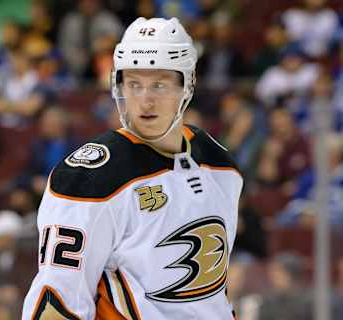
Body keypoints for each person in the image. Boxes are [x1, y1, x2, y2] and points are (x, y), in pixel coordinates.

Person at [22, 17, 243, 319]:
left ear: (187, 85)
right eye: (134, 84)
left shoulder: (220, 165)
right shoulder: (90, 179)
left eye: (159, 85)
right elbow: (57, 301)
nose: (145, 100)